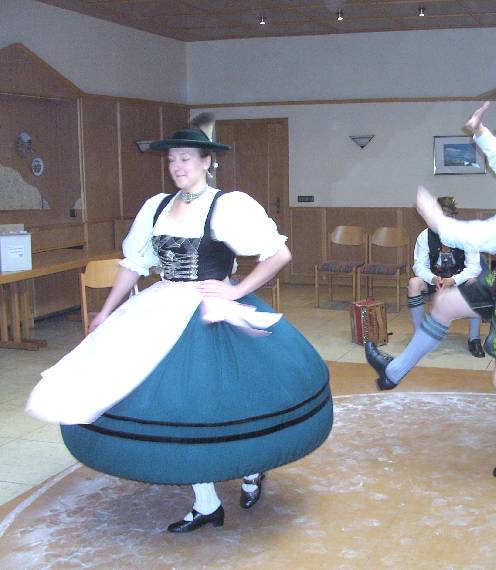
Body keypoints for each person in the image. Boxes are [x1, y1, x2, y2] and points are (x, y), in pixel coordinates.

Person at [26, 114, 333, 533]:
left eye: (186, 158)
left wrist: (236, 292)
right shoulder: (155, 206)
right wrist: (107, 310)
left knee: (230, 399)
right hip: (159, 308)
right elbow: (134, 264)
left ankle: (251, 468)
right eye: (172, 159)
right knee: (175, 408)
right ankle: (207, 503)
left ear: (207, 161)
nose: (177, 166)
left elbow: (279, 254)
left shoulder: (228, 206)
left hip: (211, 310)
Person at [366, 101, 496, 479]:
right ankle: (393, 371)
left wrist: (438, 221)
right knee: (444, 303)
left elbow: (492, 237)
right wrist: (480, 132)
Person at [409, 196, 484, 358]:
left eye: (448, 216)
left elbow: (474, 267)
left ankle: (474, 338)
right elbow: (419, 266)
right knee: (414, 283)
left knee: (475, 284)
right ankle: (418, 337)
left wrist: (454, 280)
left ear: (454, 217)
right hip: (435, 280)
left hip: (458, 279)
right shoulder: (425, 236)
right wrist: (432, 278)